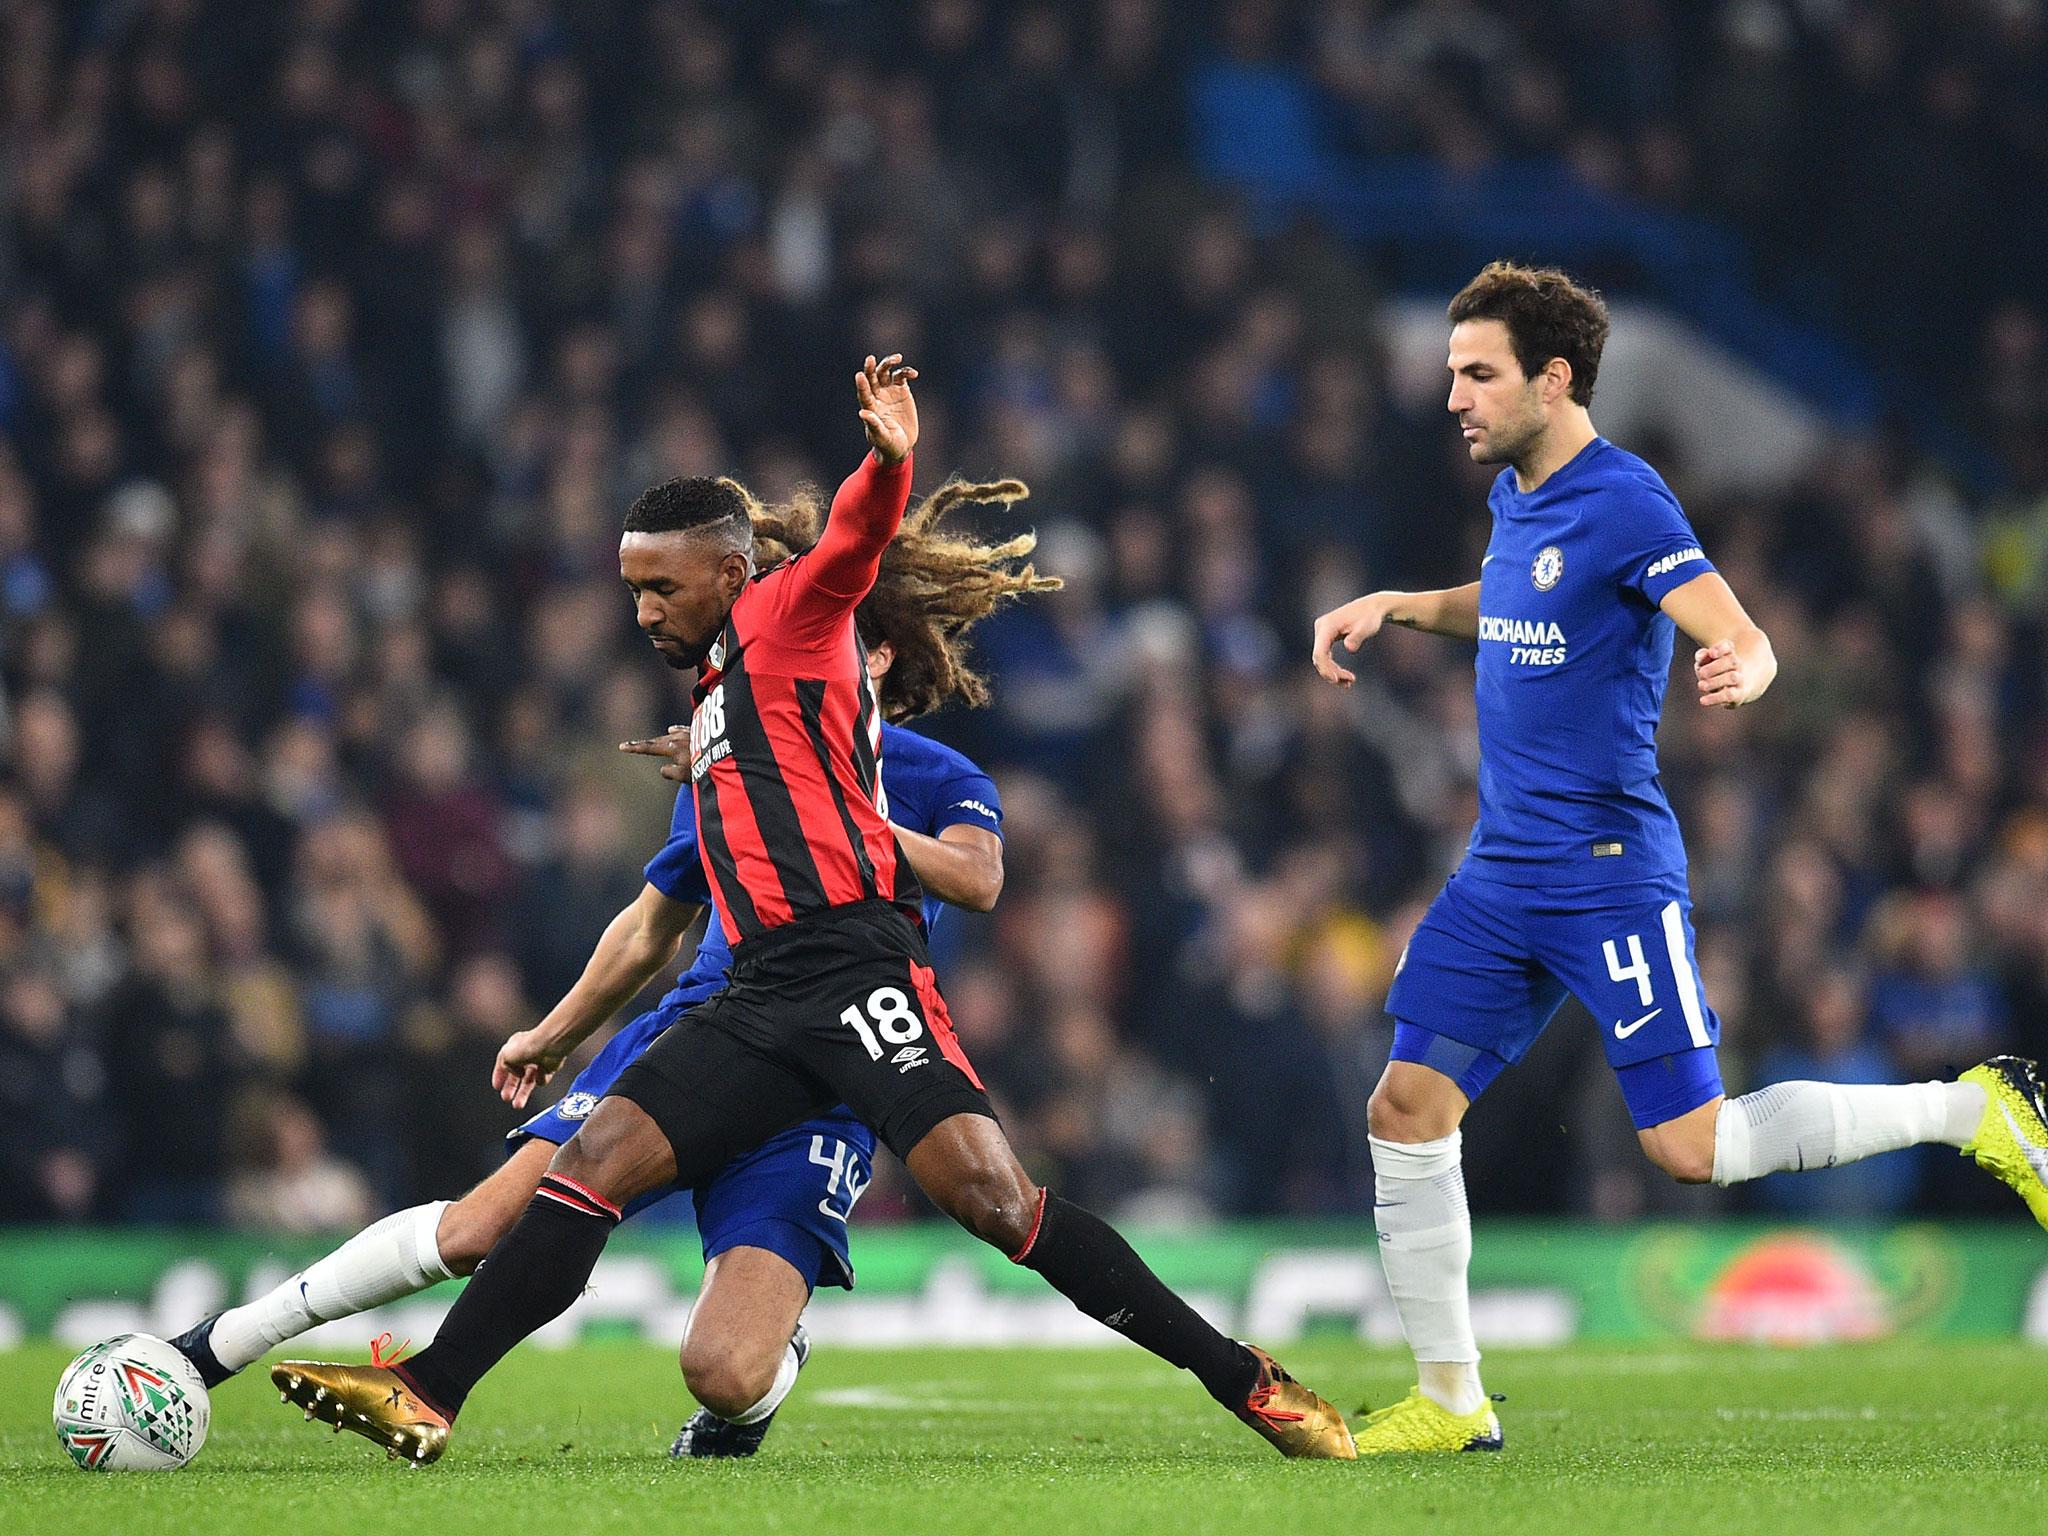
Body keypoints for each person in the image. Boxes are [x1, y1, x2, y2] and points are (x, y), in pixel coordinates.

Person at [273, 354, 1355, 1463]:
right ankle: (428, 1389)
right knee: (590, 1163)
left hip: (853, 976)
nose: (642, 611)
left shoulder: (787, 614)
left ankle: (1246, 1382)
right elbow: (677, 893)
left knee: (995, 1204)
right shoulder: (717, 688)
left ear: (735, 572)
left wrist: (889, 461)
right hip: (754, 994)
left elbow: (851, 546)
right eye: (632, 588)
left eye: (661, 588)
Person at [1310, 263, 2048, 1454]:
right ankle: (1450, 1402)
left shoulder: (1626, 499)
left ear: (1551, 380)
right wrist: (1399, 603)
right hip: (1502, 874)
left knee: (1687, 1148)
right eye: (1452, 372)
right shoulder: (1517, 497)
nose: (1450, 394)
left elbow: (1732, 626)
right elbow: (1508, 604)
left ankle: (1968, 1110)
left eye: (1475, 373)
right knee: (1402, 1108)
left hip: (1606, 870)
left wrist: (1744, 667)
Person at [169, 477, 1057, 1460]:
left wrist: (845, 819)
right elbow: (649, 925)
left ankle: (759, 1376)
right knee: (478, 1230)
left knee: (724, 1372)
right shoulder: (728, 742)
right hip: (699, 1029)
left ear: (878, 655)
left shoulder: (943, 779)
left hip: (823, 1072)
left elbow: (977, 881)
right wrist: (552, 1032)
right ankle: (213, 1349)